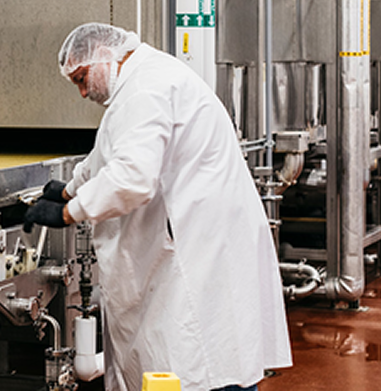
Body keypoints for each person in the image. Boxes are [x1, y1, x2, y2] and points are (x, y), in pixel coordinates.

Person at [24, 23, 292, 391]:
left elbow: (132, 175)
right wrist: (68, 190)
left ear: (104, 55)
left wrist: (67, 213)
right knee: (203, 358)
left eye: (82, 78)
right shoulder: (146, 80)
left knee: (198, 362)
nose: (84, 92)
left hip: (193, 254)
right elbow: (110, 156)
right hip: (200, 243)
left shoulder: (145, 89)